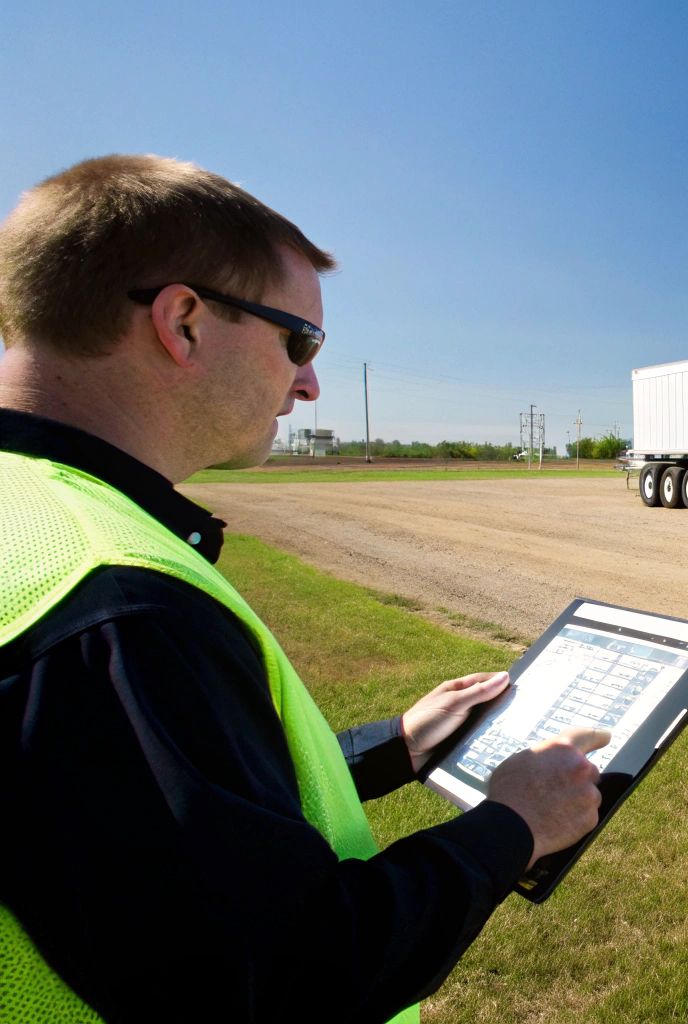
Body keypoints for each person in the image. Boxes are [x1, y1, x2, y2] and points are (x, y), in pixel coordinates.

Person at [0, 155, 608, 1023]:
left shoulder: (28, 518)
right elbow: (280, 982)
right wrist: (513, 824)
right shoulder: (111, 598)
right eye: (300, 339)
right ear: (184, 321)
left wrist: (390, 747)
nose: (310, 381)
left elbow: (158, 828)